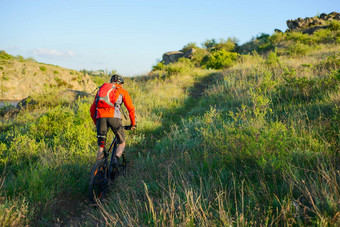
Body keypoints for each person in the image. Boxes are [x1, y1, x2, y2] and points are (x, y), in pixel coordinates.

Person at [90, 74, 136, 166]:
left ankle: (99, 169)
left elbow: (92, 110)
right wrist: (133, 124)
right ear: (121, 84)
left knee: (101, 146)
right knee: (121, 143)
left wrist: (97, 123)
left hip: (100, 118)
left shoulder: (101, 91)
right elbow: (131, 109)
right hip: (114, 118)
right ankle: (115, 159)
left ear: (111, 82)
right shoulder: (122, 91)